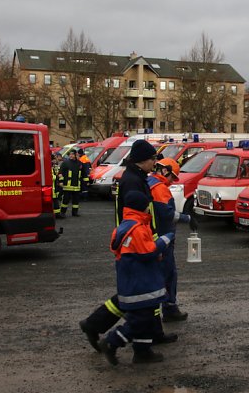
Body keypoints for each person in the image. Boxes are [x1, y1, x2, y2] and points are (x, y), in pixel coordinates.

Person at [79, 139, 159, 349]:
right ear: (143, 160)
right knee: (135, 295)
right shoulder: (133, 180)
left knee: (135, 294)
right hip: (134, 242)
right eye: (153, 158)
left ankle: (151, 332)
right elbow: (136, 213)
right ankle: (95, 325)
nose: (155, 162)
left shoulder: (134, 176)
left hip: (133, 239)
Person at [97, 191, 175, 365]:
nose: (149, 208)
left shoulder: (128, 225)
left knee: (144, 319)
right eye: (147, 205)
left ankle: (143, 352)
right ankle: (112, 342)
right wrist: (165, 240)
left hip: (134, 283)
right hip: (141, 284)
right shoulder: (137, 229)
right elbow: (147, 252)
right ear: (141, 206)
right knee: (141, 320)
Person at [148, 157, 198, 322]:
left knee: (157, 275)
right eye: (172, 177)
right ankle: (169, 308)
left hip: (151, 237)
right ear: (165, 171)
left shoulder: (148, 182)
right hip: (163, 239)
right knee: (168, 274)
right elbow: (167, 214)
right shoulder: (159, 188)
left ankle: (160, 308)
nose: (172, 181)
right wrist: (188, 219)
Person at [58, 149, 85, 217]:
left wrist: (86, 182)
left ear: (76, 155)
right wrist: (61, 181)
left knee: (76, 201)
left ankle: (75, 213)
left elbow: (83, 173)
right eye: (70, 154)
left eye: (72, 154)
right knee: (65, 200)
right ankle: (63, 213)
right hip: (67, 185)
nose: (71, 155)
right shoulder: (65, 163)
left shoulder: (79, 163)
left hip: (76, 186)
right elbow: (60, 173)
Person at [51, 152, 64, 219]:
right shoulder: (48, 166)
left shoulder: (55, 166)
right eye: (54, 159)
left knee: (56, 201)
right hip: (51, 188)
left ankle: (57, 214)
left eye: (55, 159)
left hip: (55, 187)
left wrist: (60, 180)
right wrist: (56, 177)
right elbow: (52, 177)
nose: (55, 161)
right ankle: (54, 214)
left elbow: (59, 174)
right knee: (53, 202)